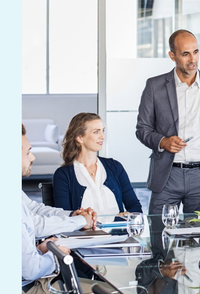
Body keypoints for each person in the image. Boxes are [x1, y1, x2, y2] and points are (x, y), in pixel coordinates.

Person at [136, 29, 200, 214]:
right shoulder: (154, 86)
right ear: (172, 55)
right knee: (158, 235)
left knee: (197, 238)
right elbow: (142, 129)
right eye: (185, 54)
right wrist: (163, 141)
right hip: (167, 175)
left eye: (195, 52)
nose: (192, 59)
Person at [22, 124, 95, 293]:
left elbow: (34, 209)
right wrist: (57, 255)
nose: (32, 157)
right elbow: (31, 270)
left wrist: (73, 215)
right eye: (27, 152)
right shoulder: (64, 173)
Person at [52, 112, 142, 215]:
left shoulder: (115, 167)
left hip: (117, 230)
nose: (102, 136)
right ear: (80, 138)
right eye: (96, 132)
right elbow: (64, 216)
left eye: (103, 131)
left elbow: (135, 206)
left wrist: (127, 216)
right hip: (86, 231)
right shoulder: (63, 175)